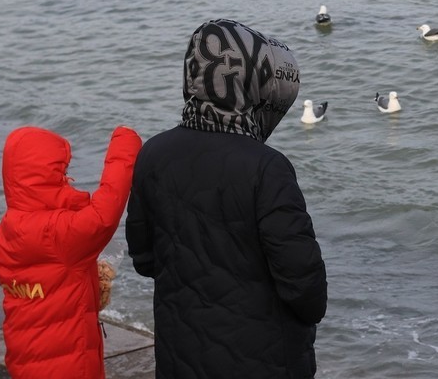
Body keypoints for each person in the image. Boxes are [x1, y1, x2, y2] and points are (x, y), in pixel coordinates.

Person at [126, 19, 327, 378]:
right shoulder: (267, 168)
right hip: (265, 361)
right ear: (253, 82)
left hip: (180, 355)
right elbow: (307, 292)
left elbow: (144, 259)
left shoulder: (153, 153)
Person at [0, 124, 142, 379]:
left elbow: (51, 282)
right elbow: (104, 214)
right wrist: (126, 143)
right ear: (45, 175)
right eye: (62, 172)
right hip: (68, 365)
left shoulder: (9, 228)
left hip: (25, 358)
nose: (67, 178)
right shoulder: (56, 234)